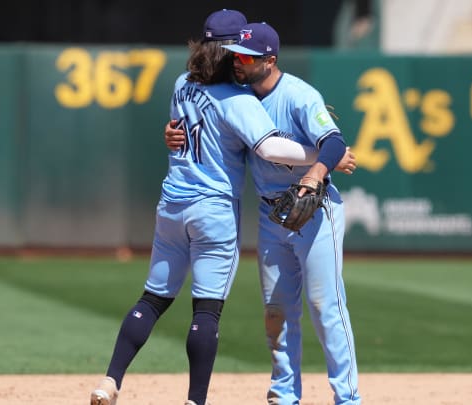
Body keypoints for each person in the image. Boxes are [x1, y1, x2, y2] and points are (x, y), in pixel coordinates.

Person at [90, 10, 321, 405]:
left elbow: (179, 131)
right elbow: (269, 148)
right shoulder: (236, 98)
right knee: (207, 312)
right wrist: (321, 153)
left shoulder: (182, 83)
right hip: (212, 210)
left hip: (172, 206)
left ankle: (110, 382)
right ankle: (195, 400)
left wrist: (170, 134)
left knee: (152, 299)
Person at [165, 22, 361, 405]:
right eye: (237, 54)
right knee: (277, 313)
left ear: (269, 61)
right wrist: (170, 133)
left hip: (315, 211)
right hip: (273, 217)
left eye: (248, 58)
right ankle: (284, 395)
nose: (238, 62)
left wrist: (317, 172)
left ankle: (347, 397)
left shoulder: (298, 95)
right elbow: (200, 124)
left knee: (326, 308)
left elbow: (334, 141)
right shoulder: (236, 94)